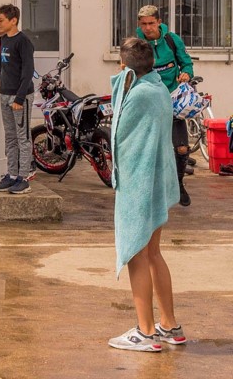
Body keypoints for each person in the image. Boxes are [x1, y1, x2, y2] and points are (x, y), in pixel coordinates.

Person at [107, 37, 184, 352]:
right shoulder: (159, 90)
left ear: (125, 65)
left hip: (139, 184)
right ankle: (169, 325)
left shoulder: (137, 96)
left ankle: (146, 331)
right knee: (153, 253)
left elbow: (121, 135)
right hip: (157, 181)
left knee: (137, 254)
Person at [135, 5, 194, 206]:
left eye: (151, 23)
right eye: (144, 24)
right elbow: (128, 71)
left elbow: (186, 63)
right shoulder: (137, 44)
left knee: (182, 149)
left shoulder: (172, 40)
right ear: (139, 25)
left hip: (173, 100)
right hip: (149, 102)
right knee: (150, 150)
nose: (148, 28)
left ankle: (178, 184)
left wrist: (186, 73)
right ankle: (149, 190)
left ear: (159, 22)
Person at [0, 4, 35, 194]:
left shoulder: (23, 42)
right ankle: (11, 174)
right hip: (4, 94)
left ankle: (23, 177)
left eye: (1, 20)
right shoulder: (3, 40)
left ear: (13, 20)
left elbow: (27, 72)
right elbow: (0, 67)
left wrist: (19, 97)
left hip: (20, 97)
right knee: (9, 137)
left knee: (22, 138)